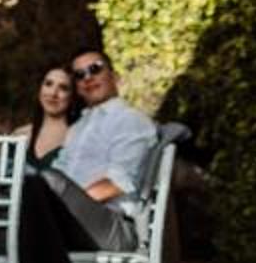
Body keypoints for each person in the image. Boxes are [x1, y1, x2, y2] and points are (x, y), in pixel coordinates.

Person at [41, 49, 160, 252]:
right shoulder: (78, 128)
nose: (88, 78)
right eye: (80, 75)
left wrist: (58, 207)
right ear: (78, 87)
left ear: (114, 76)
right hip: (71, 218)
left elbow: (116, 184)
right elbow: (59, 171)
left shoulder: (130, 120)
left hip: (114, 226)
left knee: (49, 181)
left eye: (95, 69)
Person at [25, 62, 79, 172]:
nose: (53, 93)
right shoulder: (21, 134)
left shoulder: (80, 139)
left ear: (72, 97)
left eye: (63, 88)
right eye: (48, 84)